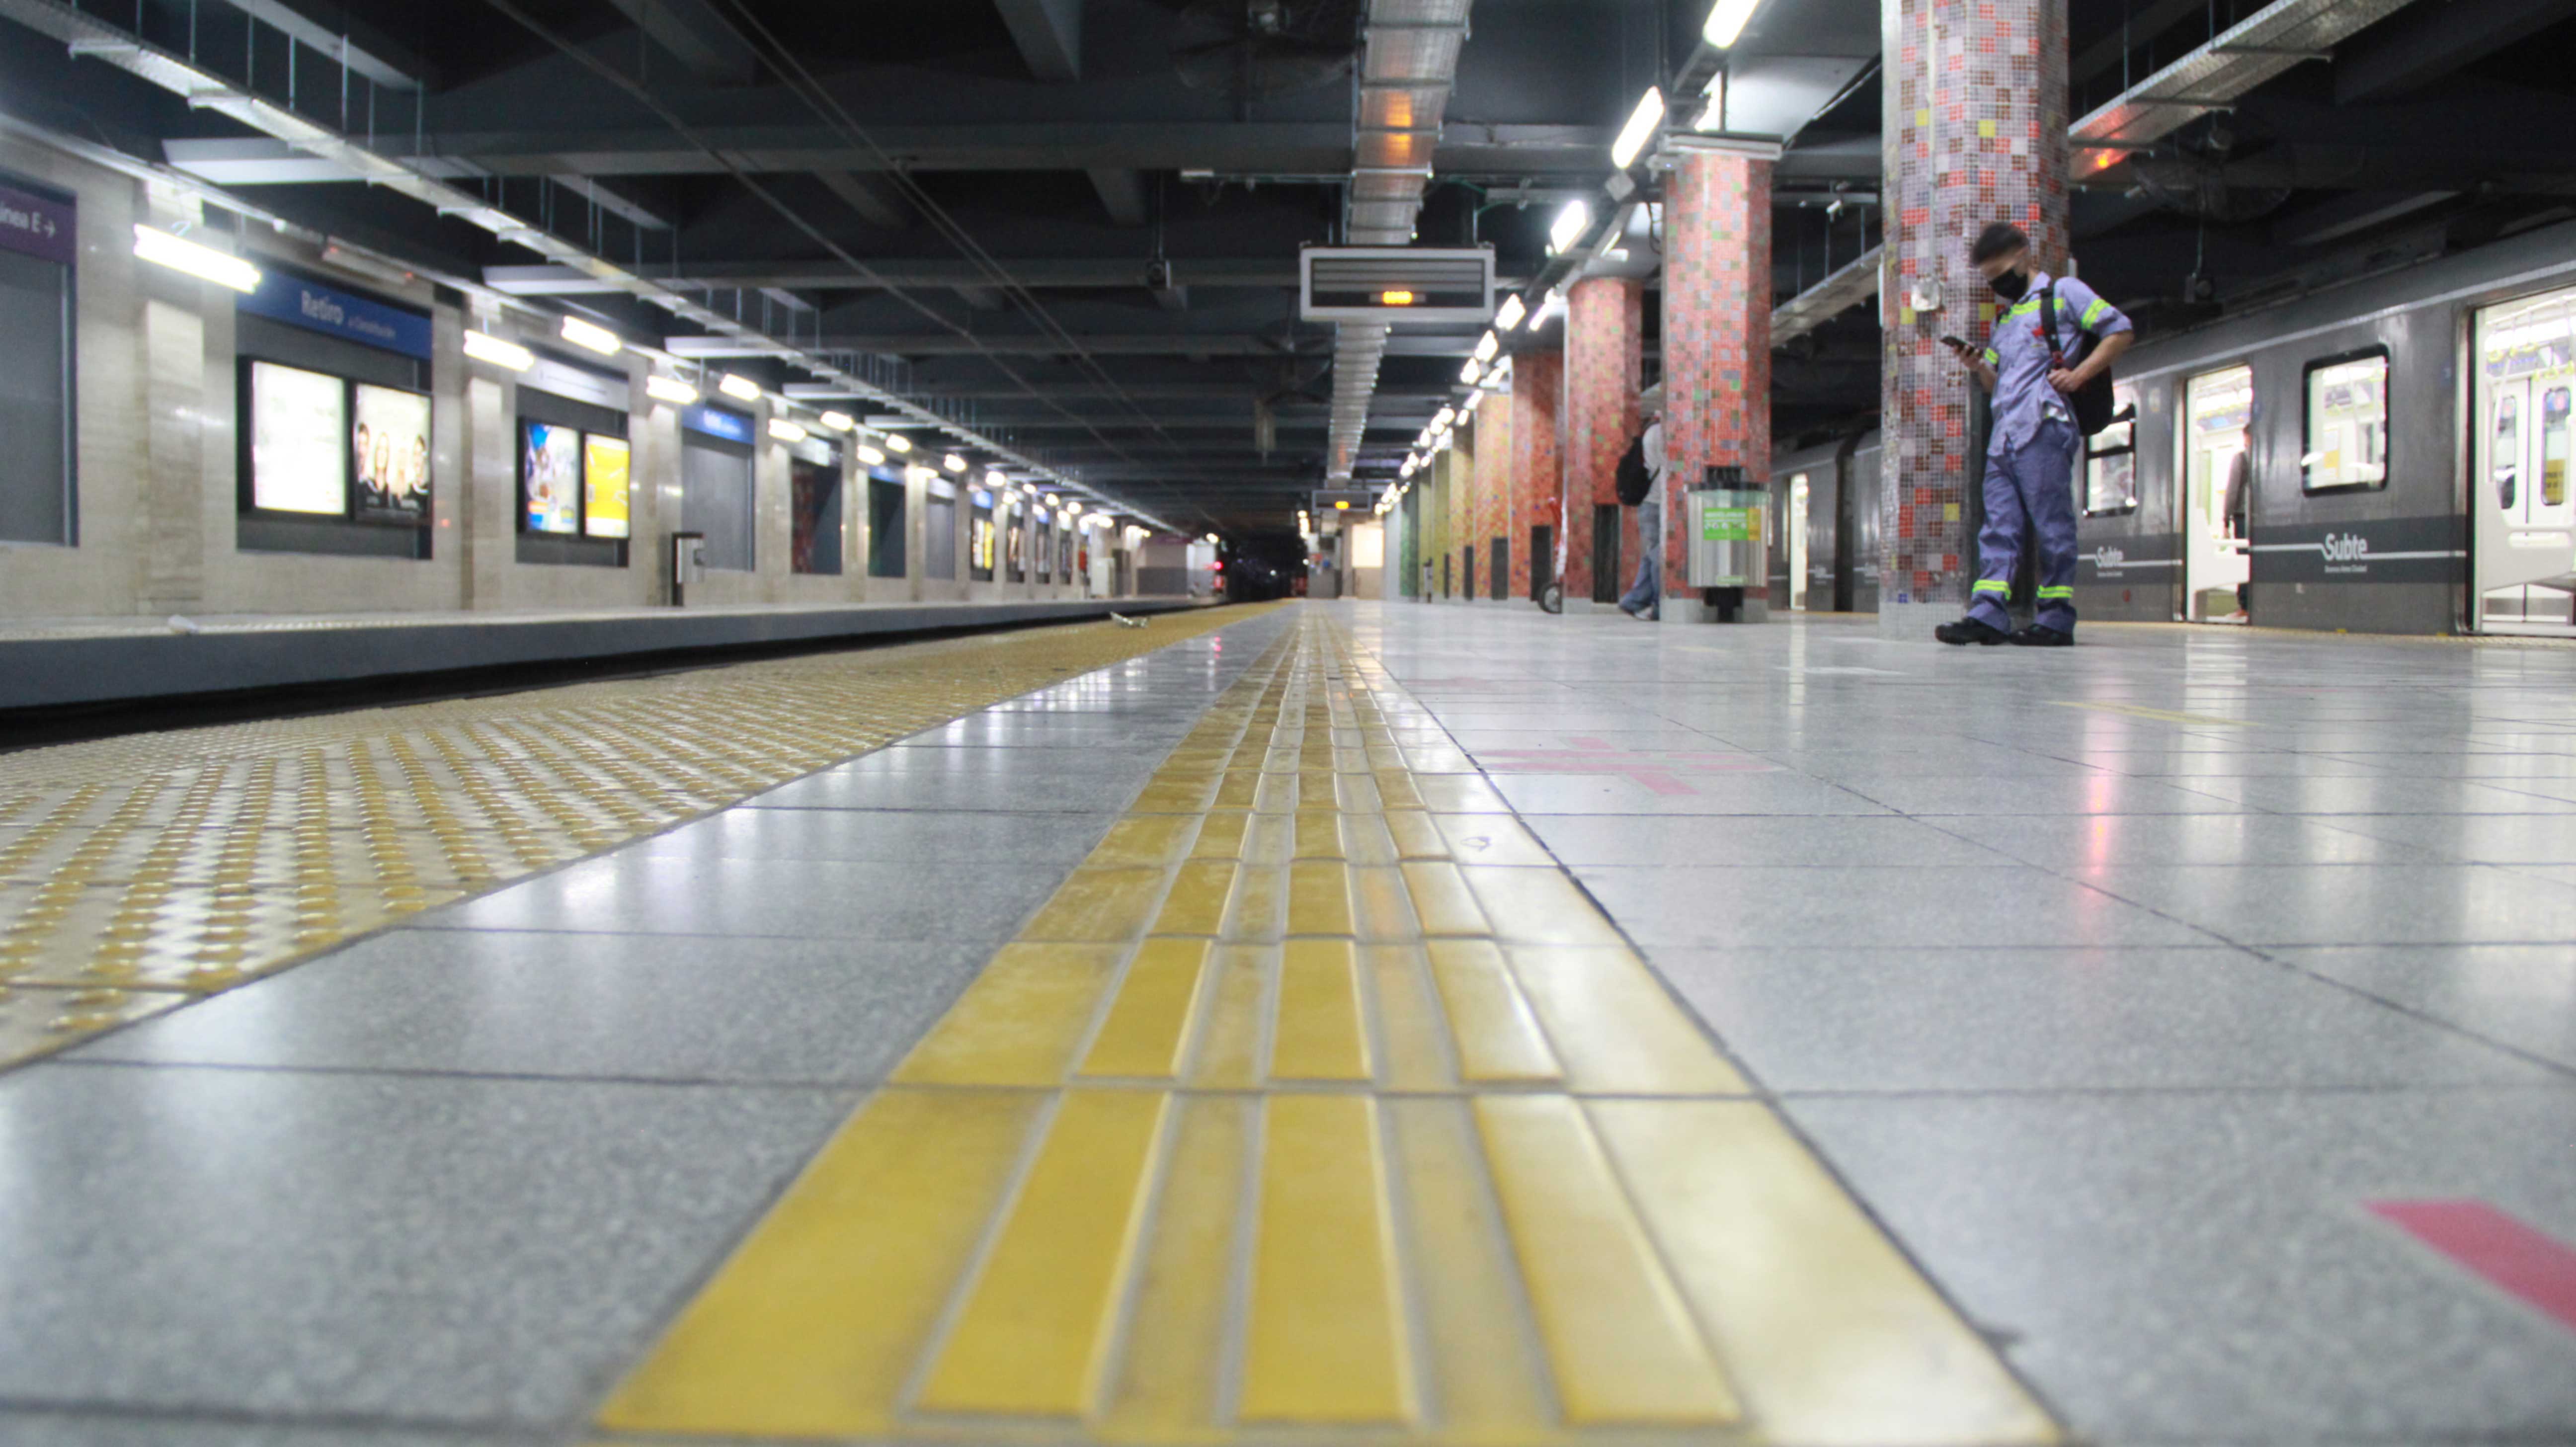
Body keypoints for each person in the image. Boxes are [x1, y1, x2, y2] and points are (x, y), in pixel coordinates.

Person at [1936, 222, 2134, 647]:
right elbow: (1995, 382)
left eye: (2003, 273)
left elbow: (2120, 329)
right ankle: (1988, 613)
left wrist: (2079, 375)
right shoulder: (2006, 320)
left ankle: (2057, 617)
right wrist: (1976, 365)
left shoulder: (2065, 294)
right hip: (2004, 437)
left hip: (2044, 428)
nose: (2000, 285)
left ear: (2025, 255)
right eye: (1991, 280)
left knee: (2052, 525)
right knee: (1998, 526)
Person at [1617, 403, 1666, 621]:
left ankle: (1634, 601)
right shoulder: (1660, 434)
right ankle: (1658, 605)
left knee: (1651, 554)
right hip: (1656, 502)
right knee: (1658, 555)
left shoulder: (1649, 432)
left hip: (1649, 503)